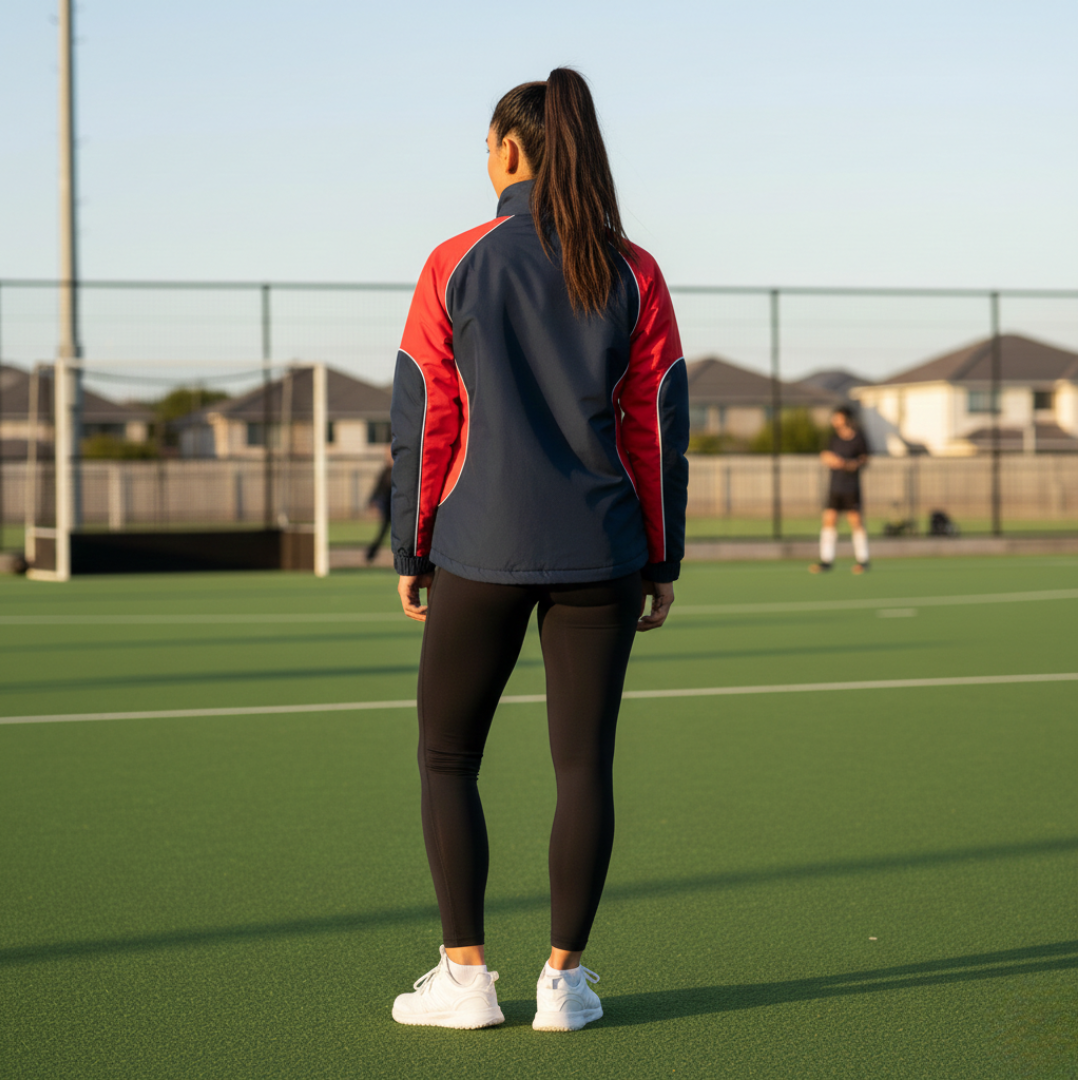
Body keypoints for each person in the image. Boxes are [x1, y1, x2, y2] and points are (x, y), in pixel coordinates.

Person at [387, 68, 689, 1032]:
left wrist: (411, 543)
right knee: (583, 768)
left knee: (446, 757)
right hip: (603, 550)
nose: (484, 161)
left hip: (476, 544)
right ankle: (563, 983)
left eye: (486, 146)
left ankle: (467, 979)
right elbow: (657, 424)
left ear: (512, 150)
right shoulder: (634, 268)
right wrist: (663, 554)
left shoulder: (455, 260)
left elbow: (423, 415)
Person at [811, 405, 870, 574]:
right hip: (835, 487)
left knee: (856, 521)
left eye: (838, 417)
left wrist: (851, 464)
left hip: (851, 487)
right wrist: (834, 461)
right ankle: (826, 560)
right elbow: (824, 455)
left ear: (846, 419)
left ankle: (863, 560)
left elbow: (864, 459)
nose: (834, 420)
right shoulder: (833, 438)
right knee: (829, 520)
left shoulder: (858, 438)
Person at [364, 444, 392, 563]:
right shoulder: (385, 471)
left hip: (400, 509)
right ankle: (371, 554)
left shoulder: (402, 470)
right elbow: (378, 488)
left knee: (402, 535)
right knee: (383, 531)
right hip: (388, 508)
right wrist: (372, 501)